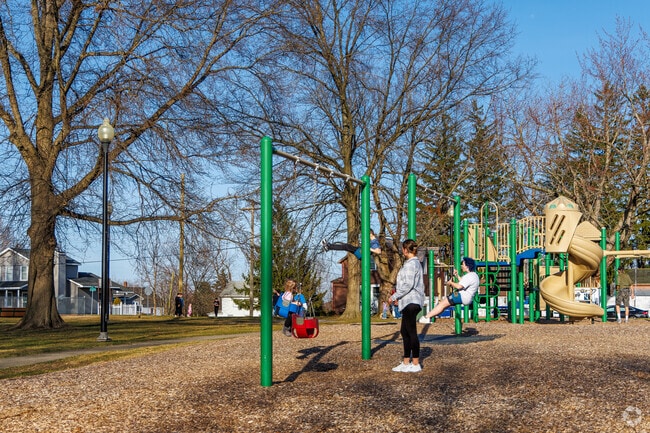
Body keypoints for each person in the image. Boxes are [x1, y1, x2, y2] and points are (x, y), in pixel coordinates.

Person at [390, 239, 425, 373]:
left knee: (411, 332)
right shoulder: (412, 263)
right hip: (408, 301)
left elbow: (408, 284)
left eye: (402, 249)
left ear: (405, 250)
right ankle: (406, 362)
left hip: (412, 301)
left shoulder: (412, 264)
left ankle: (415, 363)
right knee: (405, 332)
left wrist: (395, 296)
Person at [419, 257, 479, 324]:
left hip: (462, 296)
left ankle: (426, 317)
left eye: (463, 264)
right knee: (444, 306)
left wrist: (450, 283)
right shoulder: (474, 275)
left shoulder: (469, 276)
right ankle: (430, 317)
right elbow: (463, 282)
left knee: (441, 304)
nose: (462, 266)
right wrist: (456, 275)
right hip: (467, 298)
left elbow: (459, 286)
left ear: (467, 266)